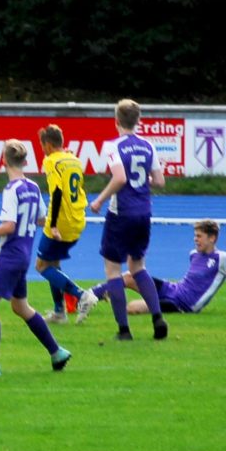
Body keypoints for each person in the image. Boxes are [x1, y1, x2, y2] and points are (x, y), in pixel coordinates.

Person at [0, 139, 71, 376]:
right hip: (24, 254)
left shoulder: (11, 190)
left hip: (8, 255)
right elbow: (41, 219)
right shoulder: (34, 188)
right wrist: (55, 227)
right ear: (25, 161)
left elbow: (9, 225)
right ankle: (57, 352)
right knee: (20, 306)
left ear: (3, 161)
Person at [82, 99, 167, 340]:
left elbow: (119, 178)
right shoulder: (148, 145)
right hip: (144, 212)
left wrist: (99, 200)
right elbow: (159, 181)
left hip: (121, 213)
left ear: (116, 121)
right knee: (138, 267)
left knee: (112, 270)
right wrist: (141, 183)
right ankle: (158, 317)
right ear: (138, 121)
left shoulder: (113, 146)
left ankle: (124, 329)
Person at [90, 219, 225, 314]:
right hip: (173, 289)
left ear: (212, 238)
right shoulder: (194, 254)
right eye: (195, 236)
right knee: (130, 276)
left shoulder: (221, 258)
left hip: (181, 305)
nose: (195, 239)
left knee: (131, 308)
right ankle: (91, 295)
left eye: (199, 236)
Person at [34, 124, 98, 324]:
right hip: (78, 219)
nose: (42, 150)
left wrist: (52, 224)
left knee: (42, 266)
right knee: (53, 263)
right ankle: (59, 312)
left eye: (43, 145)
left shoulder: (51, 161)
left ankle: (82, 296)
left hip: (60, 221)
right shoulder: (75, 160)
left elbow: (57, 193)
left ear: (49, 144)